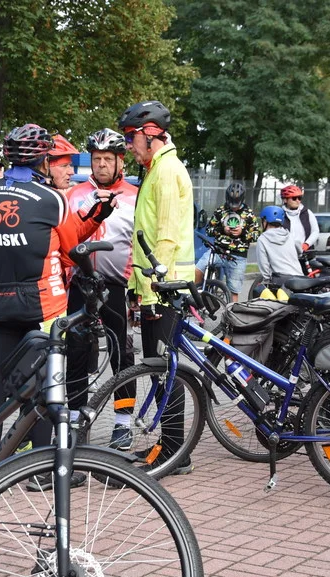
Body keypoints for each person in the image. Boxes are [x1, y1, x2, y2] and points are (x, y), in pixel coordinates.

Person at [0, 123, 117, 489]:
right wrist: (94, 236)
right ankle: (40, 472)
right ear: (42, 159)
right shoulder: (50, 199)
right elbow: (72, 249)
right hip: (42, 303)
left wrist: (93, 218)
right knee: (43, 385)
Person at [121, 99, 196, 475]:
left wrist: (150, 288)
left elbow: (164, 237)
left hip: (164, 289)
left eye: (131, 138)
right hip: (154, 288)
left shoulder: (167, 171)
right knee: (160, 368)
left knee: (166, 370)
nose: (128, 146)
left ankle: (173, 452)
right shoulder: (156, 168)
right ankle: (170, 445)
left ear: (150, 135)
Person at [66, 128, 139, 449]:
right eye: (97, 159)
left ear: (120, 161)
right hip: (79, 285)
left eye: (108, 159)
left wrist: (139, 287)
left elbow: (141, 241)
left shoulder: (134, 196)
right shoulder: (75, 193)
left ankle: (123, 423)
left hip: (116, 285)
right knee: (77, 353)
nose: (102, 165)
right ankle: (76, 420)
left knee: (121, 354)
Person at [197, 182, 259, 301]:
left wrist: (243, 232)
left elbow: (256, 235)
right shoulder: (220, 211)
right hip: (218, 251)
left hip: (237, 256)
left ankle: (231, 315)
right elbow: (209, 230)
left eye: (236, 204)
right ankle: (197, 298)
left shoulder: (249, 214)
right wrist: (222, 229)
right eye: (231, 203)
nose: (233, 207)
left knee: (233, 291)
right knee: (198, 269)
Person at [254, 205, 303, 282]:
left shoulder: (262, 239)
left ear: (265, 221)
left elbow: (263, 264)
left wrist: (267, 279)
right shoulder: (289, 235)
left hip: (281, 280)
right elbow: (300, 250)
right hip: (299, 278)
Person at [280, 185, 319, 251]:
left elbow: (315, 231)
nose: (298, 201)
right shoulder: (280, 214)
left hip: (305, 253)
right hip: (287, 253)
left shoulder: (307, 213)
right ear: (285, 200)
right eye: (294, 198)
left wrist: (307, 244)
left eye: (299, 198)